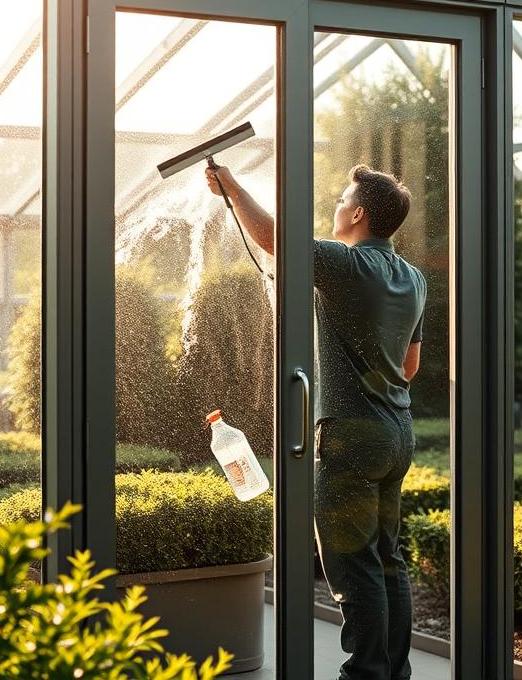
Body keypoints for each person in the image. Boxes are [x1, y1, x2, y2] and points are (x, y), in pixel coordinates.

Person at [205, 162, 426, 680]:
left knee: (354, 566)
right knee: (388, 559)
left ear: (359, 214)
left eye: (341, 200)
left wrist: (232, 187)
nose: (334, 207)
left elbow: (271, 237)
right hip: (398, 434)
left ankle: (365, 674)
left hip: (350, 436)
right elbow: (410, 367)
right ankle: (394, 672)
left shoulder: (348, 265)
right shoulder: (412, 276)